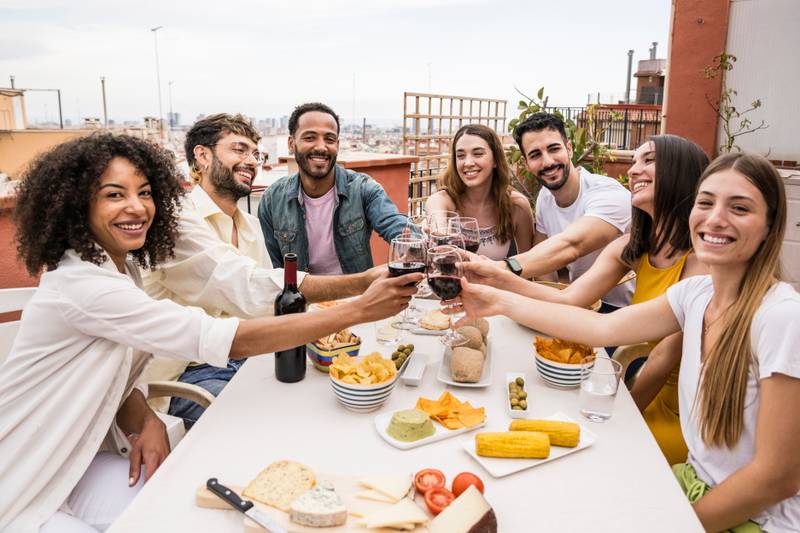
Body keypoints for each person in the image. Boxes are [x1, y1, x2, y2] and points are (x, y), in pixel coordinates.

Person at [0, 133, 420, 533]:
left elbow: (111, 363)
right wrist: (358, 310)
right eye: (114, 194)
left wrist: (143, 418)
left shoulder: (117, 265)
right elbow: (225, 336)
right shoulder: (84, 286)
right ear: (77, 205)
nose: (137, 207)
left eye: (145, 192)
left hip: (74, 461)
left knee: (183, 509)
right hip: (23, 480)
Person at [452, 152, 800, 532]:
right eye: (706, 202)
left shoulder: (782, 317)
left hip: (753, 520)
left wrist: (679, 524)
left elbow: (776, 478)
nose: (715, 218)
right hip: (692, 487)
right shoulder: (697, 293)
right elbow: (603, 329)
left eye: (740, 208)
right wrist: (497, 301)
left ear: (769, 225)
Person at [463, 134, 709, 464]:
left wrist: (623, 416)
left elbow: (663, 357)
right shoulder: (634, 247)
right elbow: (571, 300)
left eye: (648, 160)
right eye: (634, 161)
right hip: (634, 383)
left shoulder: (701, 261)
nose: (634, 170)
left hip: (679, 412)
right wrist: (499, 278)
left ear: (682, 171)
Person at [142, 113, 385, 427]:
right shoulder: (173, 219)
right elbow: (246, 285)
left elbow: (268, 309)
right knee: (272, 425)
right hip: (187, 375)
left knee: (330, 402)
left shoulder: (251, 227)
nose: (251, 161)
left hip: (247, 359)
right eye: (239, 150)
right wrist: (362, 285)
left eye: (256, 154)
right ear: (202, 156)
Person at [495, 112, 634, 311]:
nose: (548, 162)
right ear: (526, 164)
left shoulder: (608, 193)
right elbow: (544, 263)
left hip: (622, 309)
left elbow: (571, 245)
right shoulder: (545, 197)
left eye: (554, 149)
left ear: (569, 148)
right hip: (578, 303)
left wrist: (500, 269)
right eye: (535, 155)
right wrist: (556, 297)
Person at [258, 102, 407, 274]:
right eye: (310, 137)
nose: (321, 147)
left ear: (337, 144)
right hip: (302, 299)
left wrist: (415, 242)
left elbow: (394, 225)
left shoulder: (363, 189)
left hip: (359, 297)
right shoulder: (272, 200)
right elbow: (277, 272)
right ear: (291, 144)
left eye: (329, 139)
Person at [425, 124, 534, 259]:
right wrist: (441, 235)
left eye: (478, 154)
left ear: (495, 160)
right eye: (460, 156)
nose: (468, 162)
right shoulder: (443, 199)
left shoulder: (516, 205)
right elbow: (438, 220)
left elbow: (529, 263)